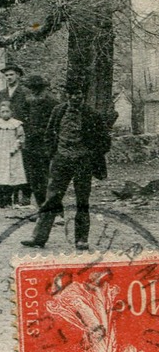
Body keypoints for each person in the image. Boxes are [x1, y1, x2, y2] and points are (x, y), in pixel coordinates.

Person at [22, 81, 111, 252]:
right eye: (72, 94)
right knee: (52, 198)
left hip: (82, 163)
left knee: (82, 201)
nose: (75, 97)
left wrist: (90, 154)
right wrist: (53, 154)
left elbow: (105, 141)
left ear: (83, 95)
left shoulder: (92, 114)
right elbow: (49, 135)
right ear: (67, 95)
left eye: (79, 94)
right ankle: (38, 237)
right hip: (61, 161)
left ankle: (82, 239)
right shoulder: (58, 111)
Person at [0, 63, 31, 206]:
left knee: (23, 164)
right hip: (5, 133)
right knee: (6, 164)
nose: (9, 77)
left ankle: (26, 194)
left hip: (21, 131)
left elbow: (29, 113)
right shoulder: (2, 93)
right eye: (6, 75)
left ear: (18, 75)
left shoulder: (25, 92)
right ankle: (6, 196)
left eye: (11, 75)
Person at [22, 74, 58, 206]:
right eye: (31, 88)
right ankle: (40, 206)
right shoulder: (28, 102)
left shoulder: (52, 102)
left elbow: (55, 124)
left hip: (45, 144)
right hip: (31, 144)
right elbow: (25, 119)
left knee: (46, 178)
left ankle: (51, 208)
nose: (34, 91)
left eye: (37, 88)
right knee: (34, 177)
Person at [0, 100, 27, 208]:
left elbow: (21, 137)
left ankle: (14, 198)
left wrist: (15, 147)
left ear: (11, 112)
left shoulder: (16, 124)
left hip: (12, 153)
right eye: (2, 112)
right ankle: (2, 199)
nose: (5, 114)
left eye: (7, 111)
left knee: (13, 174)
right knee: (0, 176)